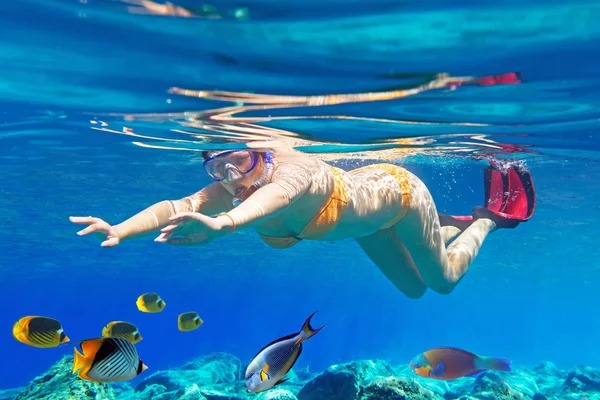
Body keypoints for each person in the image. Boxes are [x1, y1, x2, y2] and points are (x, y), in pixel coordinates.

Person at [70, 147, 535, 299]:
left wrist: (226, 225)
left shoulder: (292, 174)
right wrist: (120, 230)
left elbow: (274, 198)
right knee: (414, 292)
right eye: (219, 169)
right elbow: (177, 204)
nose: (233, 177)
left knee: (443, 282)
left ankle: (487, 220)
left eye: (244, 163)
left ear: (264, 156)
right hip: (367, 224)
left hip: (400, 195)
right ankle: (440, 230)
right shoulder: (233, 190)